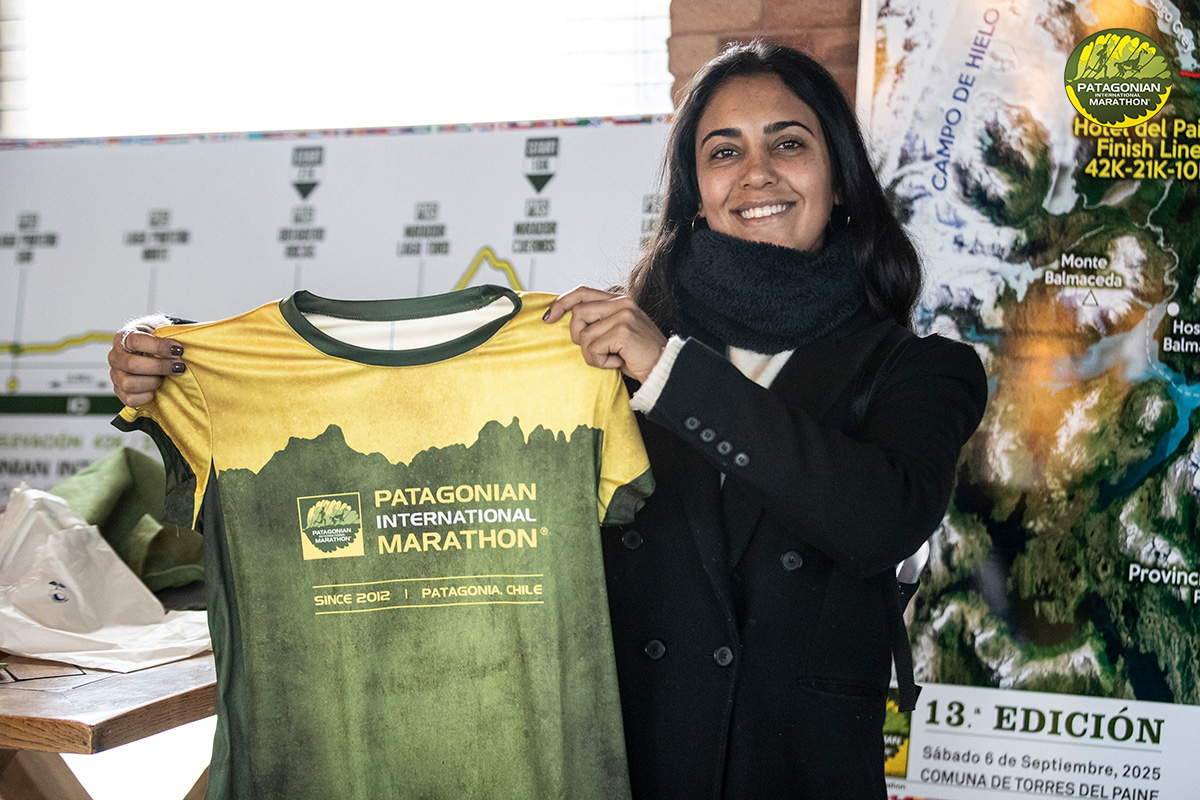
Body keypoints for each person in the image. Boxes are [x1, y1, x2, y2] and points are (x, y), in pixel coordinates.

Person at [109, 42, 986, 800]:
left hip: (797, 772)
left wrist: (670, 372)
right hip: (624, 766)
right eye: (724, 151)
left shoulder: (921, 369)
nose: (756, 172)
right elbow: (401, 425)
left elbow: (877, 518)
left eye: (788, 143)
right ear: (695, 194)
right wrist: (181, 364)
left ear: (839, 181)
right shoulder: (594, 357)